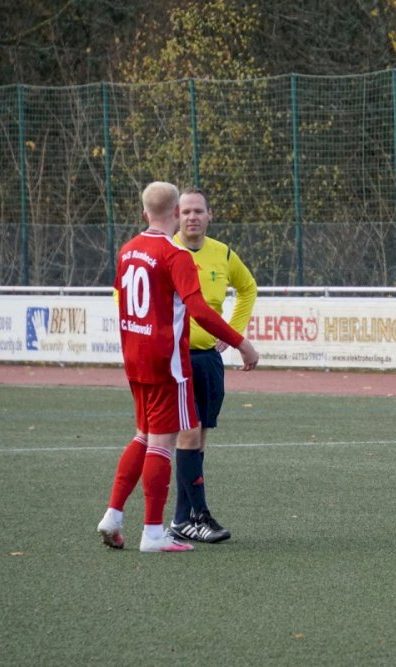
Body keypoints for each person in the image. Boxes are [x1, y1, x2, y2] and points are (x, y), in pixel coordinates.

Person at [96, 181, 259, 553]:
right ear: (174, 213)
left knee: (143, 435)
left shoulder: (128, 250)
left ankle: (113, 515)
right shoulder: (175, 255)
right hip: (167, 362)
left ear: (144, 213)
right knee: (164, 442)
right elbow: (199, 309)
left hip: (135, 359)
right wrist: (242, 342)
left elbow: (123, 302)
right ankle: (155, 533)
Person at [168, 187, 258, 544]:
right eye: (186, 211)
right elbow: (123, 295)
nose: (192, 217)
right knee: (188, 434)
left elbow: (248, 288)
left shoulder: (223, 253)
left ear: (209, 215)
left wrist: (233, 331)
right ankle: (200, 515)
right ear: (176, 215)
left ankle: (181, 520)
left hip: (209, 359)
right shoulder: (165, 251)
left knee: (199, 438)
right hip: (176, 360)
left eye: (198, 211)